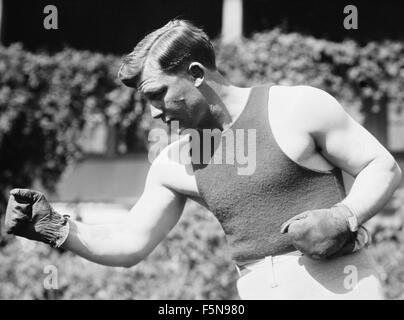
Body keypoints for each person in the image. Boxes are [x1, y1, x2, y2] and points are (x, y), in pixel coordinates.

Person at [4, 19, 402, 299]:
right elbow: (128, 242)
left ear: (195, 73)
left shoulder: (295, 106)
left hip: (342, 289)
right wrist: (53, 226)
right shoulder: (173, 163)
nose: (154, 112)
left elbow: (381, 165)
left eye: (158, 94)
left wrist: (344, 216)